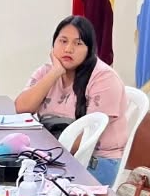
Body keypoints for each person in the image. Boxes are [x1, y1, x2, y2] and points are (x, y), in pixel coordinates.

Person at [13, 15, 126, 186]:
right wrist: (54, 73)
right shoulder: (47, 71)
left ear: (89, 49)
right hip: (56, 153)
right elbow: (22, 108)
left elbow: (86, 138)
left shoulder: (104, 79)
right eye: (63, 41)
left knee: (30, 185)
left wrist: (46, 156)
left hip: (94, 160)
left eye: (78, 43)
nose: (68, 49)